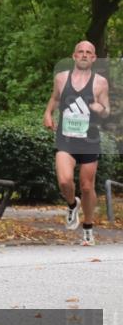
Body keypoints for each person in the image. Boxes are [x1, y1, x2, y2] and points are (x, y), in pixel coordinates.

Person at [43, 40, 110, 245]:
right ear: (74, 56)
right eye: (80, 51)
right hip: (66, 139)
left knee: (87, 187)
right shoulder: (61, 78)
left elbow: (107, 110)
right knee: (64, 181)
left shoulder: (100, 82)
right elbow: (55, 98)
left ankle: (88, 228)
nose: (83, 55)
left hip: (89, 140)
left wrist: (100, 108)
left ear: (93, 58)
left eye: (88, 52)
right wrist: (48, 113)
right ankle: (73, 204)